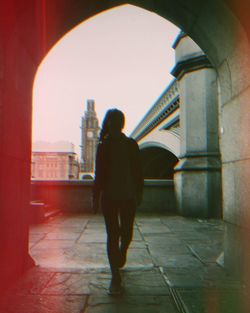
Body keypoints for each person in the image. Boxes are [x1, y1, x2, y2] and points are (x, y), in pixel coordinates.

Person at [93, 109, 143, 295]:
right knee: (113, 235)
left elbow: (138, 171)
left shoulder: (131, 144)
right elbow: (99, 175)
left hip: (128, 195)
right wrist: (95, 197)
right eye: (113, 121)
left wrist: (139, 191)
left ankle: (121, 254)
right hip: (111, 197)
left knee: (126, 233)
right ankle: (115, 277)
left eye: (117, 121)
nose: (115, 124)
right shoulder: (103, 146)